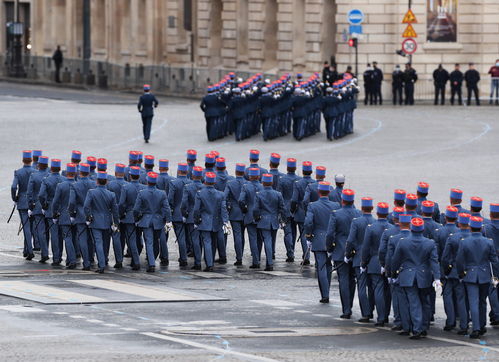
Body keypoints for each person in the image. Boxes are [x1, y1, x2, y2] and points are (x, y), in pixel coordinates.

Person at [391, 217, 441, 339]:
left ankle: (417, 329)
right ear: (422, 229)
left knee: (414, 303)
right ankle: (424, 327)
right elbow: (434, 262)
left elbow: (396, 260)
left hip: (408, 275)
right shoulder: (430, 243)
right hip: (425, 275)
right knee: (425, 302)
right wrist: (437, 278)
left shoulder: (403, 242)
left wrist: (393, 273)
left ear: (411, 228)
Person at [456, 217, 499, 338]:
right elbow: (494, 261)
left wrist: (461, 273)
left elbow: (459, 260)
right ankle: (482, 325)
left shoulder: (464, 242)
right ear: (480, 228)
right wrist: (495, 275)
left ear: (470, 227)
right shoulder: (489, 242)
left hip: (470, 274)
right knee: (482, 301)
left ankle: (476, 328)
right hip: (485, 274)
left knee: (473, 302)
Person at [326, 189, 362, 319]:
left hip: (340, 251)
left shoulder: (336, 214)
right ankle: (350, 305)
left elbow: (330, 234)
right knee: (353, 280)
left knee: (344, 280)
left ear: (342, 200)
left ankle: (346, 309)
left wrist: (329, 249)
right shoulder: (359, 213)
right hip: (356, 252)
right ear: (353, 200)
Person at [304, 182, 338, 303]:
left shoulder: (313, 206)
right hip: (332, 239)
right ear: (329, 192)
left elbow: (308, 222)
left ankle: (325, 294)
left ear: (319, 192)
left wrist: (308, 236)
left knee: (321, 267)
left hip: (318, 238)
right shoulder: (336, 205)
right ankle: (326, 290)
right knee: (328, 266)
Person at [361, 202, 393, 326]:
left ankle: (380, 317)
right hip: (389, 263)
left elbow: (366, 247)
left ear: (377, 212)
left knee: (378, 290)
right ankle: (385, 315)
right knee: (387, 291)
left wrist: (363, 262)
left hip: (375, 262)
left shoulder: (371, 227)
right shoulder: (391, 228)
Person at [133, 172, 172, 273]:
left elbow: (136, 209)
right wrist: (168, 220)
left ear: (147, 181)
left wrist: (136, 218)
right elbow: (167, 208)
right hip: (158, 220)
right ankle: (153, 259)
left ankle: (151, 264)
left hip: (146, 220)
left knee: (149, 242)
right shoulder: (162, 193)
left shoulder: (142, 193)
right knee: (156, 242)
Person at [345, 197, 376, 321]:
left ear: (362, 208)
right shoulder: (375, 221)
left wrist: (347, 255)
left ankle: (366, 313)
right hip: (373, 259)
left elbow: (351, 240)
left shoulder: (356, 222)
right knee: (373, 287)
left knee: (362, 286)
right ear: (372, 208)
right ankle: (372, 309)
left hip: (358, 257)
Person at [441, 212, 471, 334]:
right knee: (462, 299)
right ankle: (464, 324)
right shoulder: (471, 237)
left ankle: (450, 322)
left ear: (459, 223)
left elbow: (445, 257)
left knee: (448, 296)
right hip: (468, 271)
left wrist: (445, 270)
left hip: (452, 271)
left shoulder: (453, 237)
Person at [193, 172, 229, 272]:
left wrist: (196, 220)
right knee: (213, 242)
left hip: (204, 221)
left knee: (207, 242)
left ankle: (209, 264)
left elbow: (196, 209)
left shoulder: (200, 193)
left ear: (205, 180)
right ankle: (211, 261)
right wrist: (226, 221)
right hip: (217, 221)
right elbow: (223, 209)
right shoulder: (220, 194)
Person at [254, 174, 288, 271]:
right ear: (272, 183)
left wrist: (256, 218)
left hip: (263, 220)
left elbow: (256, 209)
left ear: (263, 183)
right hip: (274, 220)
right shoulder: (278, 194)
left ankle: (269, 263)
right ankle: (271, 258)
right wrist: (284, 220)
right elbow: (282, 208)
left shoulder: (259, 194)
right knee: (271, 241)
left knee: (267, 241)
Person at [68, 163, 95, 270]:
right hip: (92, 215)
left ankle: (86, 262)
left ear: (80, 173)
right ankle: (91, 258)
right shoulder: (94, 184)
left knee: (82, 239)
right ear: (88, 172)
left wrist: (72, 214)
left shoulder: (75, 185)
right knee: (92, 238)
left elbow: (72, 203)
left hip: (80, 215)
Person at [38, 159, 64, 265]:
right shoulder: (64, 179)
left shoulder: (46, 180)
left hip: (50, 208)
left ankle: (56, 258)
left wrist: (44, 205)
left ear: (51, 168)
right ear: (60, 168)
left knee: (53, 234)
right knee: (61, 234)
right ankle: (60, 255)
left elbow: (41, 195)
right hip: (62, 209)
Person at [52, 163, 78, 269]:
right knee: (74, 238)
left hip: (64, 214)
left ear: (67, 172)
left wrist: (54, 214)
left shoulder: (61, 185)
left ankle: (71, 260)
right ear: (75, 173)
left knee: (67, 238)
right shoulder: (78, 184)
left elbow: (55, 202)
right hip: (76, 216)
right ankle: (71, 258)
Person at [118, 166, 144, 270]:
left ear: (129, 175)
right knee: (139, 238)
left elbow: (122, 204)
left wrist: (121, 215)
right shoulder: (144, 187)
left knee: (132, 240)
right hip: (141, 217)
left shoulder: (126, 187)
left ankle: (136, 261)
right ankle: (135, 259)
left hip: (129, 217)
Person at [12, 151, 35, 260]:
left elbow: (13, 187)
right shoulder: (35, 172)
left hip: (22, 201)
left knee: (26, 226)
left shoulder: (18, 172)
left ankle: (29, 250)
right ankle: (26, 249)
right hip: (33, 202)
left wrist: (14, 198)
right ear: (31, 160)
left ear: (23, 160)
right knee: (30, 226)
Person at [239, 167, 264, 268]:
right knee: (260, 239)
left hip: (249, 214)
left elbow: (241, 200)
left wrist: (244, 209)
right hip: (261, 216)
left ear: (249, 176)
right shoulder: (263, 187)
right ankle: (258, 257)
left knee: (252, 238)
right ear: (258, 176)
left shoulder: (246, 187)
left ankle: (256, 260)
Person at [181, 166, 205, 270]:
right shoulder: (205, 187)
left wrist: (184, 214)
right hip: (204, 217)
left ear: (193, 175)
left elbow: (184, 203)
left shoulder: (188, 187)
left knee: (195, 240)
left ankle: (198, 262)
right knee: (203, 240)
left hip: (191, 216)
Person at [27, 156, 49, 262]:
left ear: (38, 165)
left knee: (40, 231)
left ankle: (44, 253)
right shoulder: (49, 175)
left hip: (38, 206)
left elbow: (29, 193)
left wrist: (30, 206)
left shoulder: (34, 176)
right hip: (50, 207)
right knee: (52, 232)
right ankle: (55, 256)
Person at [224, 164, 247, 265]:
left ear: (236, 171)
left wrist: (228, 205)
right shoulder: (248, 183)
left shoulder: (230, 183)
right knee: (242, 235)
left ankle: (239, 258)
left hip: (234, 212)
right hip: (246, 212)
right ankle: (240, 253)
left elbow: (224, 197)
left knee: (237, 235)